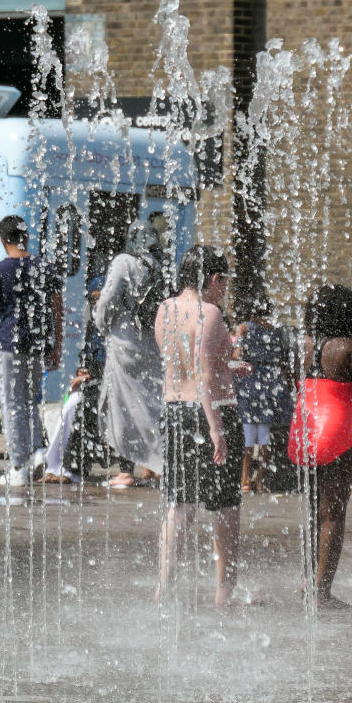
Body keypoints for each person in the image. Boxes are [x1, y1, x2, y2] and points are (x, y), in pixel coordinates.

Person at [153, 244, 246, 607]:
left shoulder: (164, 310)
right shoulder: (211, 313)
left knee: (180, 504)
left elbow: (184, 370)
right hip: (212, 412)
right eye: (223, 281)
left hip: (174, 411)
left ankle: (164, 586)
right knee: (225, 506)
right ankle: (225, 593)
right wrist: (216, 429)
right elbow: (204, 377)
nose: (224, 289)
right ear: (214, 278)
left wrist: (230, 367)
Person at [289, 285, 352, 609]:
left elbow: (292, 381)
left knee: (313, 512)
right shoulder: (348, 347)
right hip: (335, 435)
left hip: (303, 432)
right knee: (333, 517)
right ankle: (321, 593)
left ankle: (306, 580)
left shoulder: (302, 346)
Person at [0, 215, 63, 487]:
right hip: (36, 345)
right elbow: (57, 310)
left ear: (2, 240)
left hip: (9, 346)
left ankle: (18, 467)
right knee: (29, 400)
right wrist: (56, 345)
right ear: (27, 236)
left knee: (12, 406)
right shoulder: (44, 268)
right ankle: (36, 451)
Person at [94, 221, 165, 488]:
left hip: (124, 343)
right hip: (149, 344)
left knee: (121, 408)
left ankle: (125, 470)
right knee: (150, 405)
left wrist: (101, 324)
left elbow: (108, 298)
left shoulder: (123, 261)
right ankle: (157, 464)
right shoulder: (156, 265)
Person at [42, 276, 106, 484]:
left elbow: (116, 363)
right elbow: (87, 357)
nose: (96, 304)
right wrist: (82, 373)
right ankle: (55, 464)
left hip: (107, 386)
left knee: (77, 406)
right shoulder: (93, 326)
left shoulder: (113, 324)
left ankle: (71, 468)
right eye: (92, 299)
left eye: (100, 298)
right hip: (93, 384)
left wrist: (91, 377)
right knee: (66, 406)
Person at [233, 294, 295, 493]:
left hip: (251, 381)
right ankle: (261, 479)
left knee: (249, 432)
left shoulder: (244, 328)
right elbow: (282, 358)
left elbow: (236, 355)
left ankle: (244, 479)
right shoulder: (276, 330)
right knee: (265, 433)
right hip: (271, 381)